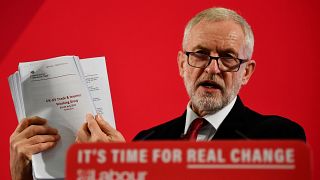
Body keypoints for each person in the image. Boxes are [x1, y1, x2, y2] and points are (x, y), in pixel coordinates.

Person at [9, 7, 306, 180]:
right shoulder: (145, 142)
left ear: (247, 72)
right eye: (200, 54)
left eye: (228, 57)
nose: (213, 69)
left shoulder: (279, 137)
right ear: (181, 63)